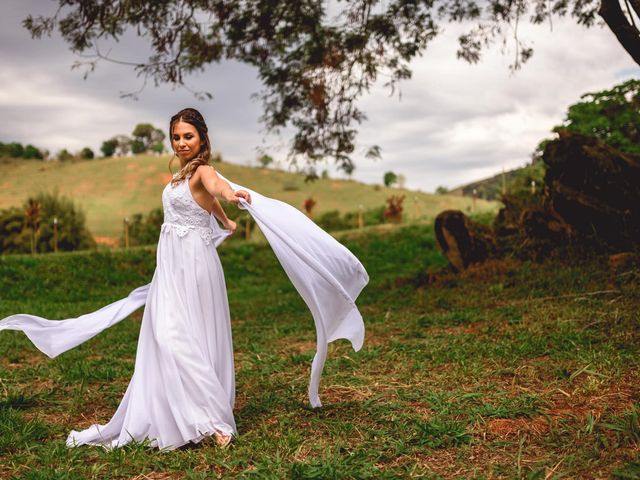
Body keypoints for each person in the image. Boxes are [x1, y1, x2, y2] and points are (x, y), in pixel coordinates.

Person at [0, 108, 369, 452]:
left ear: (202, 140)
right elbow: (205, 201)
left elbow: (218, 186)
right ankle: (181, 412)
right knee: (165, 335)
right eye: (176, 136)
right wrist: (224, 221)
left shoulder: (204, 170)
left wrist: (233, 194)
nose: (181, 142)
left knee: (177, 335)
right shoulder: (180, 176)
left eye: (188, 136)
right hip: (170, 265)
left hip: (195, 264)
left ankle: (213, 420)